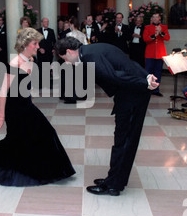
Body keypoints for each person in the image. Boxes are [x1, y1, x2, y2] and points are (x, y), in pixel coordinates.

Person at [55, 37, 159, 196]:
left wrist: (143, 81)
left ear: (69, 51)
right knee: (123, 139)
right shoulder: (90, 50)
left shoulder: (90, 57)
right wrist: (144, 77)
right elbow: (126, 64)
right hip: (130, 91)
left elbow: (114, 76)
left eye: (65, 59)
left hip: (133, 94)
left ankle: (113, 185)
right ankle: (116, 179)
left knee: (124, 140)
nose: (67, 63)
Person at [0, 28, 76, 187]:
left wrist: (31, 100)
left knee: (44, 133)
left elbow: (27, 86)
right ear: (25, 44)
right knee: (24, 138)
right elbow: (3, 91)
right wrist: (1, 116)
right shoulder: (14, 63)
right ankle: (0, 157)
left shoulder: (31, 61)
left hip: (26, 105)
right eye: (35, 43)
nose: (38, 46)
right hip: (14, 109)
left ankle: (50, 168)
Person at [143, 13, 170, 96]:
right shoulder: (147, 27)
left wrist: (160, 32)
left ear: (159, 18)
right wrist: (155, 35)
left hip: (160, 53)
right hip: (150, 54)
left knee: (158, 72)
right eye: (153, 17)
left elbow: (167, 38)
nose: (155, 19)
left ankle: (156, 90)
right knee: (148, 72)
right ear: (152, 18)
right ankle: (147, 89)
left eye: (157, 17)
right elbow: (145, 39)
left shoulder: (164, 27)